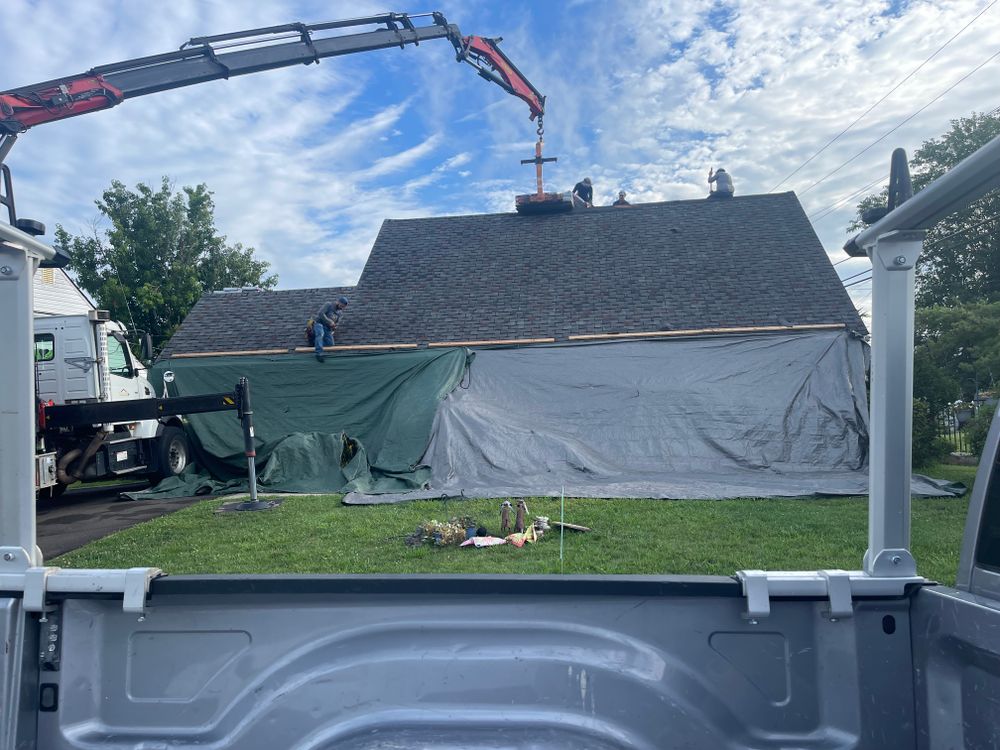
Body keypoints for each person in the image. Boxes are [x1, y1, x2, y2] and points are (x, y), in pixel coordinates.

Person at [313, 295, 349, 362]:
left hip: (327, 328)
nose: (342, 308)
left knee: (330, 344)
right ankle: (319, 353)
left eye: (343, 307)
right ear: (338, 302)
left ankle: (316, 342)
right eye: (341, 305)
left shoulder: (339, 313)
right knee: (320, 333)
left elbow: (336, 323)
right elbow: (320, 313)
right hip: (319, 324)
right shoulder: (329, 305)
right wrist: (329, 321)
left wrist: (334, 328)